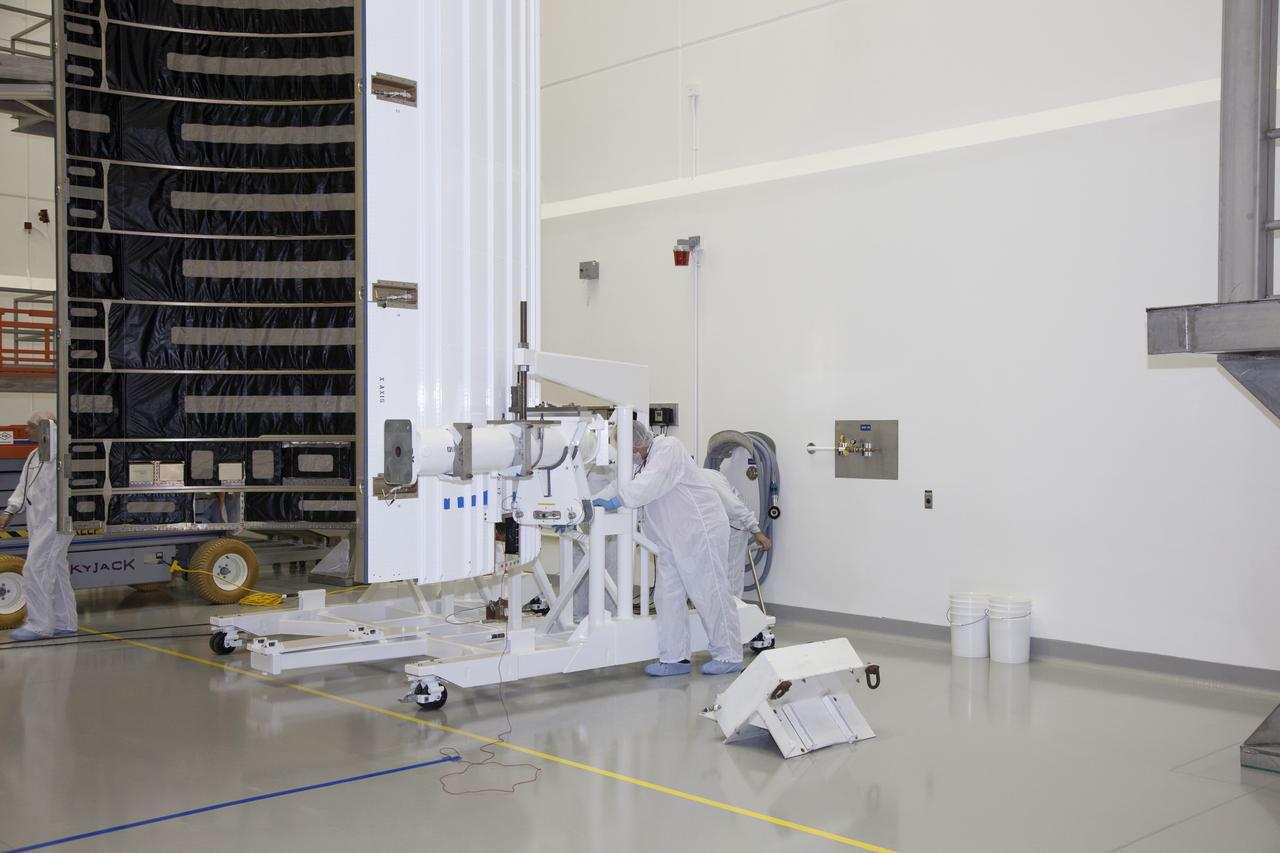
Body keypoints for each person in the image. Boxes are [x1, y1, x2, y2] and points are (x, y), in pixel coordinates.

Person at [594, 420, 742, 676]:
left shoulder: (668, 448)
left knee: (710, 592)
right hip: (671, 539)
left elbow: (649, 484)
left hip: (700, 530)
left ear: (635, 442)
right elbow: (619, 485)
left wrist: (620, 500)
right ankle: (674, 658)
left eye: (624, 445)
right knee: (666, 596)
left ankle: (729, 655)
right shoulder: (640, 462)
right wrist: (588, 508)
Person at [1, 412, 76, 641]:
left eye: (31, 426)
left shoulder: (59, 455)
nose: (26, 431)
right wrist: (9, 511)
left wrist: (50, 426)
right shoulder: (34, 456)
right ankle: (66, 622)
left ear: (45, 428)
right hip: (39, 523)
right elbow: (23, 487)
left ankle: (39, 625)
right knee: (57, 571)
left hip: (56, 525)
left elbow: (55, 443)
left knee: (35, 569)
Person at [700, 467, 771, 598]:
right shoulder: (684, 481)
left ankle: (735, 611)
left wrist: (756, 531)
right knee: (713, 573)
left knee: (730, 574)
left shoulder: (706, 479)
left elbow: (735, 507)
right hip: (712, 527)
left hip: (733, 525)